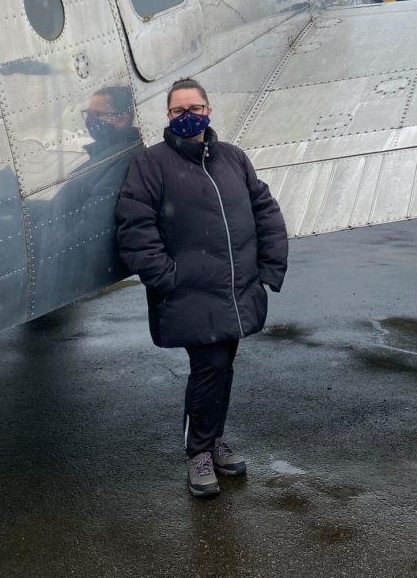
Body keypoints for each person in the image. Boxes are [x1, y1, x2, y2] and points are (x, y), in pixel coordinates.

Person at [115, 78, 288, 497]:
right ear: (169, 117)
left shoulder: (233, 159)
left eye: (195, 108)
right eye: (179, 111)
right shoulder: (151, 164)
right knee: (208, 369)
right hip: (191, 292)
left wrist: (269, 268)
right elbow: (135, 226)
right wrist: (166, 277)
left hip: (237, 288)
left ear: (209, 110)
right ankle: (198, 452)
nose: (188, 117)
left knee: (222, 367)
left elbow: (265, 211)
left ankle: (214, 440)